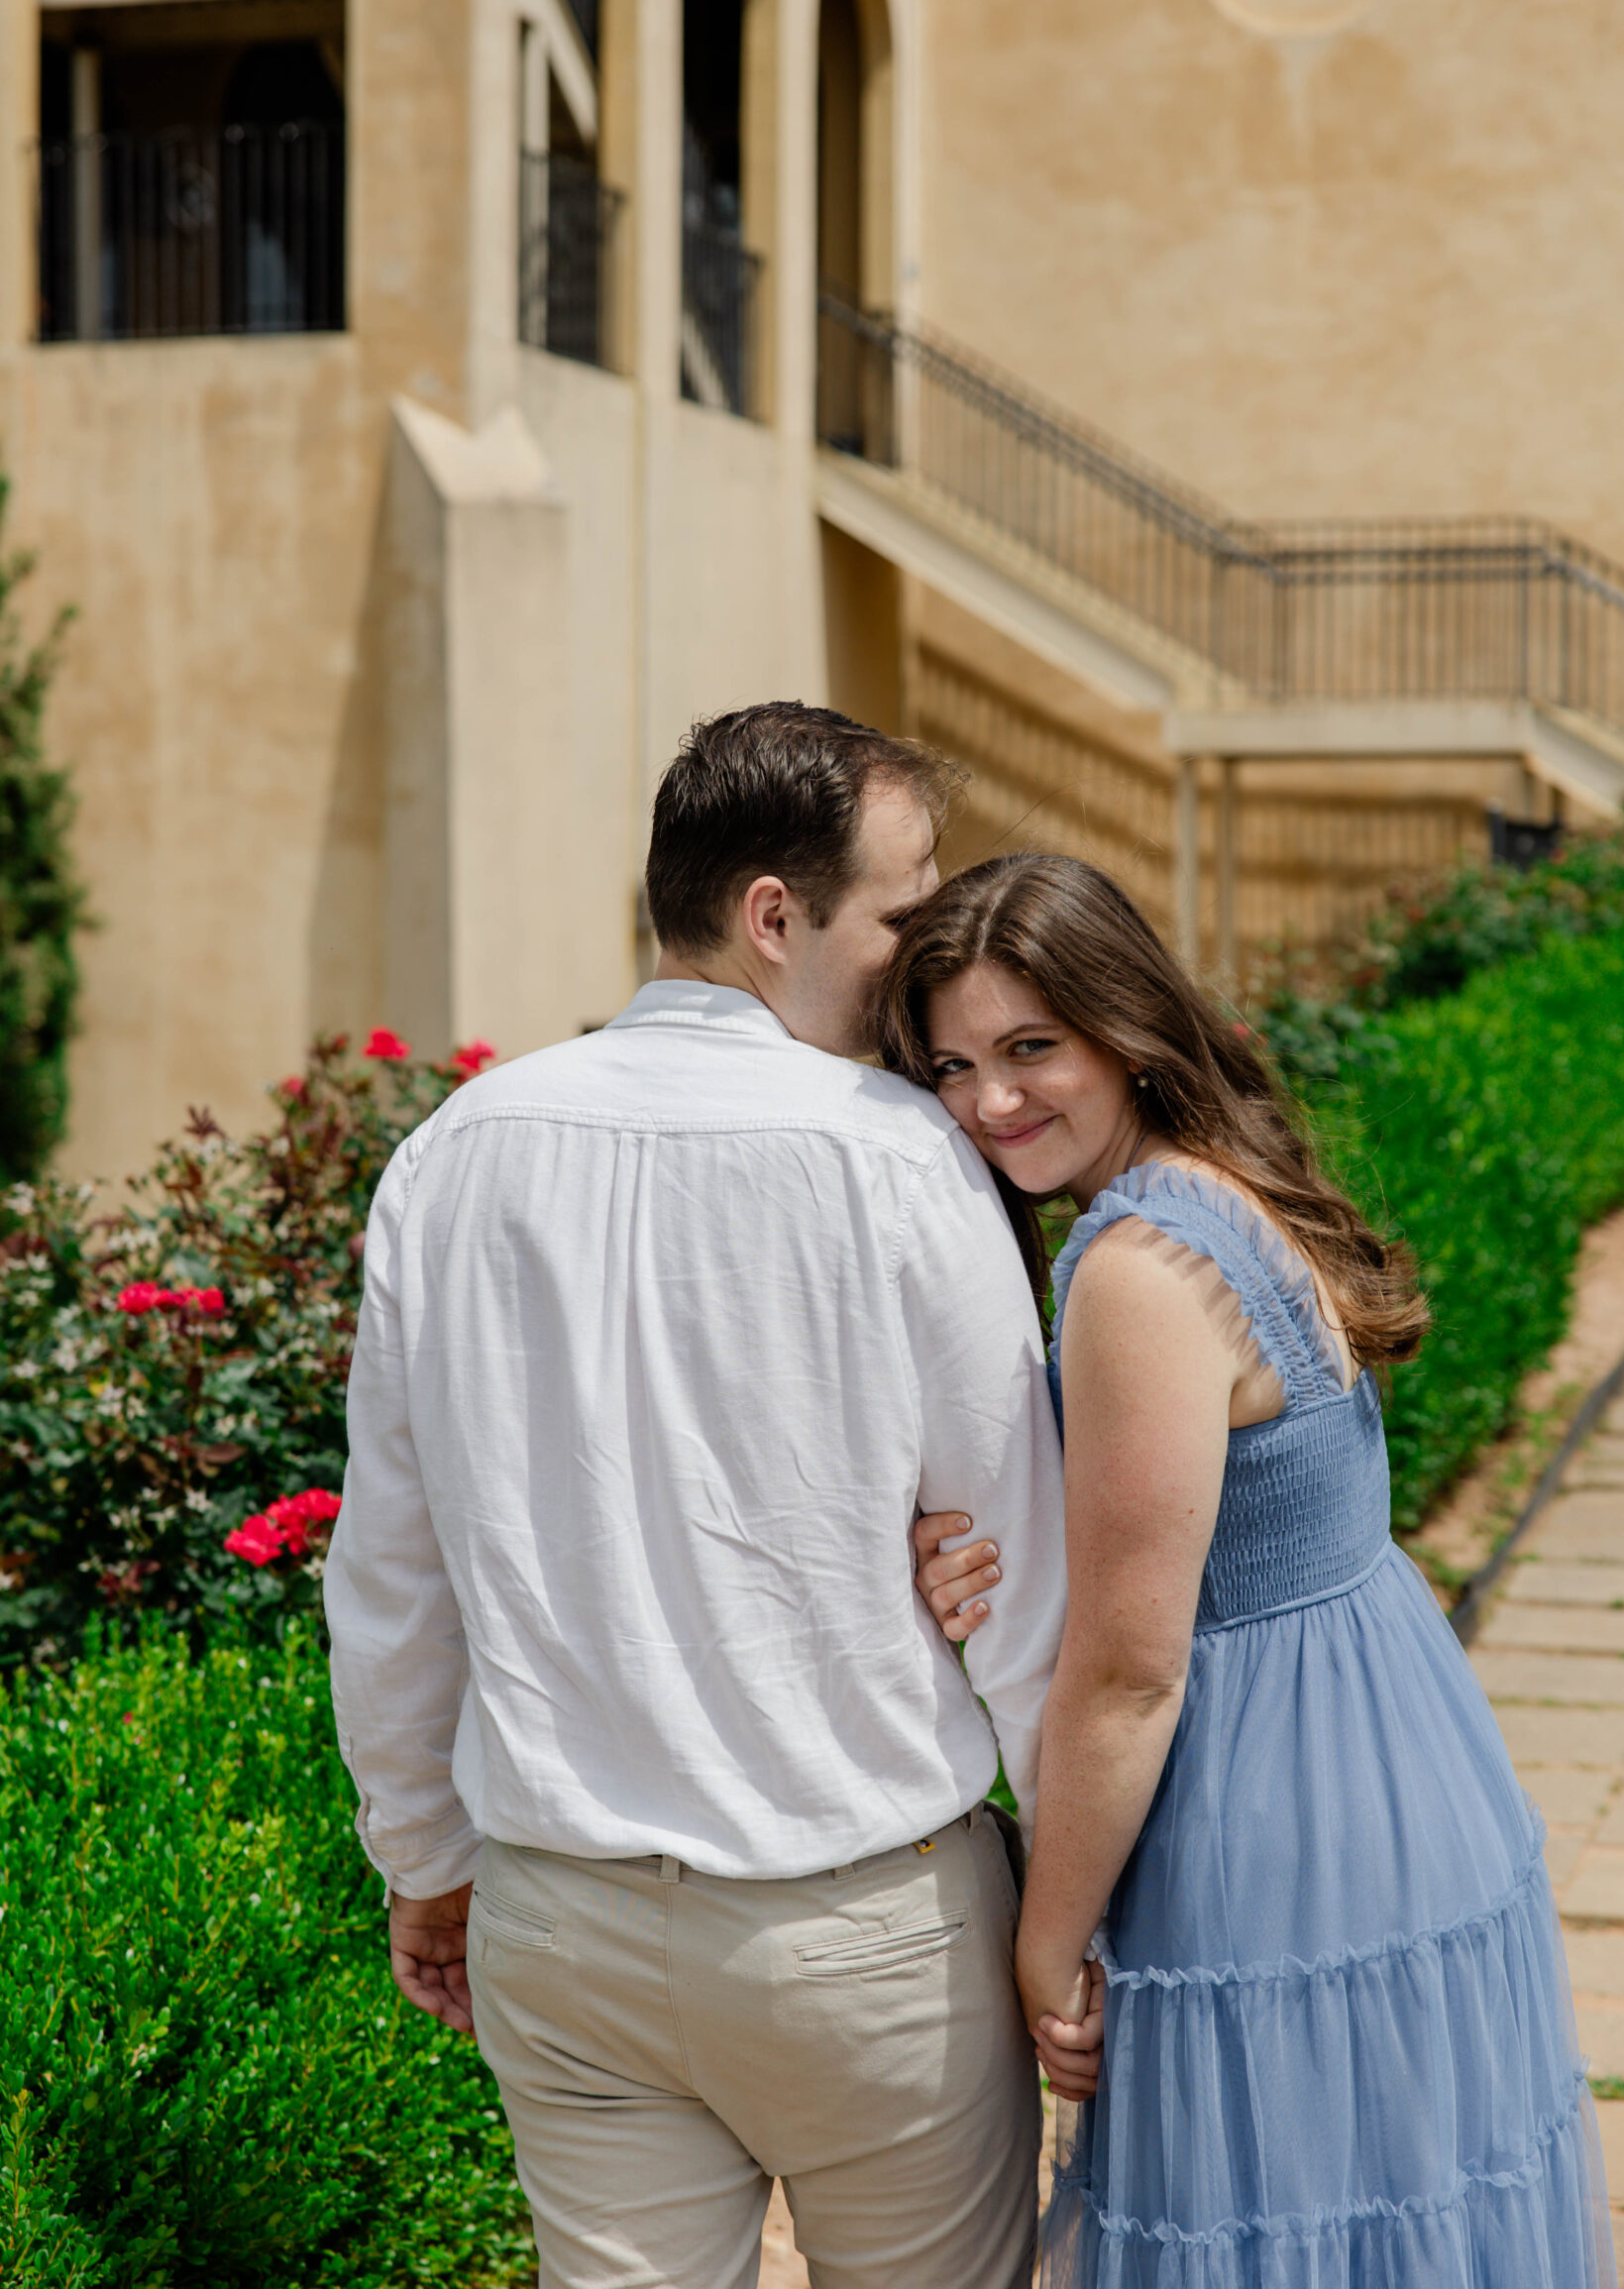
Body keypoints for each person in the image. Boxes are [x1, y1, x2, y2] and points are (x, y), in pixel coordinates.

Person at [324, 704, 1073, 2289]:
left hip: (561, 1928)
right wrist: (1079, 1903)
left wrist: (425, 1860)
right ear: (774, 916)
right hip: (871, 1934)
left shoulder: (452, 1155)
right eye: (902, 915)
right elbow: (1022, 1576)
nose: (922, 958)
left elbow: (392, 1571)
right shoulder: (896, 1154)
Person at [883, 853, 1616, 2289]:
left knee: (1268, 2224)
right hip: (1392, 1745)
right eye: (952, 1066)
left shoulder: (1135, 1272)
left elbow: (1129, 1672)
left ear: (1125, 1028)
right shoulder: (1227, 1187)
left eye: (1031, 1048)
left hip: (1264, 1804)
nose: (990, 1102)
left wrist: (1046, 1943)